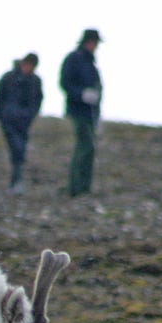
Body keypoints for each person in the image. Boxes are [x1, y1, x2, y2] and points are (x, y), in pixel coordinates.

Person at [0, 54, 44, 194]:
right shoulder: (9, 78)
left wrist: (31, 115)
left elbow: (38, 100)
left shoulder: (35, 81)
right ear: (23, 63)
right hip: (8, 121)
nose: (29, 68)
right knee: (16, 148)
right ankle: (16, 181)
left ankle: (17, 180)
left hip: (24, 122)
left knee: (20, 150)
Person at [59, 29, 103, 197]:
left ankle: (84, 187)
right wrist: (81, 94)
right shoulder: (74, 59)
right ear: (87, 41)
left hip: (90, 113)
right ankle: (76, 188)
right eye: (94, 42)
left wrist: (98, 110)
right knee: (85, 147)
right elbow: (65, 83)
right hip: (77, 111)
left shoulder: (91, 63)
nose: (96, 46)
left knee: (89, 148)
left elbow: (98, 88)